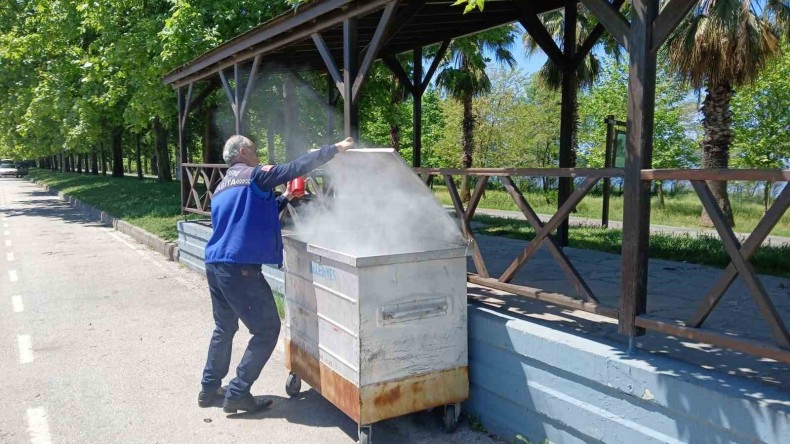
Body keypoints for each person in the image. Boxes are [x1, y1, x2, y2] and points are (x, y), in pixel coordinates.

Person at [198, 135, 354, 413]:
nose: (257, 156)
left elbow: (251, 216)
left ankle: (209, 389)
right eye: (254, 151)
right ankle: (237, 392)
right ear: (243, 152)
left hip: (215, 264)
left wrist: (284, 198)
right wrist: (334, 149)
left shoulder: (223, 185)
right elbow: (294, 168)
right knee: (267, 329)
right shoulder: (254, 175)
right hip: (240, 269)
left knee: (224, 328)